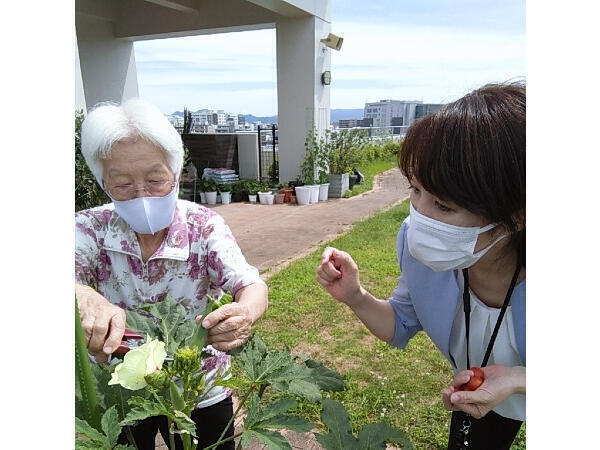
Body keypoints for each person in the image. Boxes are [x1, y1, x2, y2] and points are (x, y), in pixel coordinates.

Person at [316, 82, 525, 449]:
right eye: (414, 190)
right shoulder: (421, 251)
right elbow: (400, 324)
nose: (420, 218)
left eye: (443, 206)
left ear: (515, 215)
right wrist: (356, 296)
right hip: (483, 396)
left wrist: (521, 380)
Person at [75, 98, 268, 449]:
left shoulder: (203, 225)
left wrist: (245, 313)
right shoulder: (90, 228)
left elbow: (251, 285)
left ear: (177, 173)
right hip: (123, 387)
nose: (142, 196)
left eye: (155, 179)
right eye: (122, 185)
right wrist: (83, 296)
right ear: (103, 184)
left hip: (199, 385)